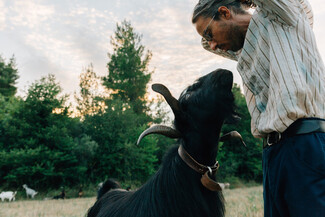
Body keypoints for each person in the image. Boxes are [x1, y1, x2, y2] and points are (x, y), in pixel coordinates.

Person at [192, 0, 325, 216]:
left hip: (304, 143)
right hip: (273, 153)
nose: (212, 45)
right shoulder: (242, 47)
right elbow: (205, 44)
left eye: (209, 34)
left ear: (225, 13)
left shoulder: (283, 15)